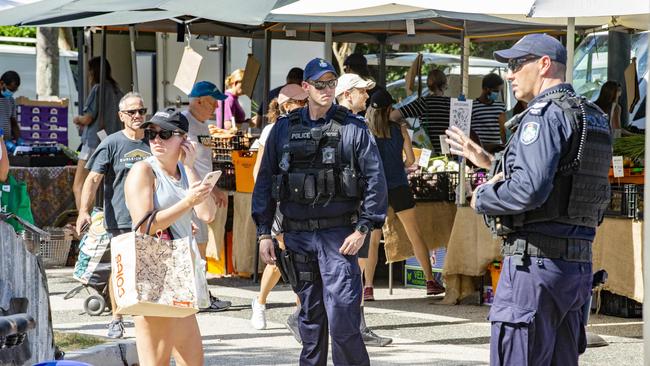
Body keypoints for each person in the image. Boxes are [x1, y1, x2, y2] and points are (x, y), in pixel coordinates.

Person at [445, 33, 612, 366]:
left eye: (517, 64)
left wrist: (483, 197)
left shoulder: (543, 114)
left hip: (535, 270)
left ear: (544, 64)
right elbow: (562, 177)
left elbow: (530, 190)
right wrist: (490, 162)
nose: (510, 74)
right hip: (574, 267)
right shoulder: (590, 115)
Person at [253, 58, 387, 366]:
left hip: (339, 236)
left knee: (343, 322)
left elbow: (375, 182)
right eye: (319, 84)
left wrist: (363, 229)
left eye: (331, 83)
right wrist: (264, 233)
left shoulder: (353, 128)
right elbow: (265, 184)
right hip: (298, 236)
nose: (326, 89)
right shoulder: (283, 130)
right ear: (306, 87)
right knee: (310, 322)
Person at [124, 108, 217, 366]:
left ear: (184, 139)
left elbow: (207, 213)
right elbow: (143, 226)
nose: (156, 140)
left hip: (181, 275)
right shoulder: (143, 171)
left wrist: (192, 169)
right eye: (151, 133)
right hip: (154, 274)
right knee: (156, 362)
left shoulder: (185, 173)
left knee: (193, 361)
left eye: (164, 134)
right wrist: (186, 204)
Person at [75, 92, 152, 338]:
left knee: (148, 269)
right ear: (121, 116)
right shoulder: (112, 143)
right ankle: (116, 318)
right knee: (121, 270)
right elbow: (93, 179)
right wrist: (83, 211)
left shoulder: (155, 140)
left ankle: (149, 318)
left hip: (151, 218)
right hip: (119, 218)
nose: (138, 116)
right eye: (132, 112)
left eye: (141, 111)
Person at [363, 88, 446, 301]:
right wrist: (398, 165)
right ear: (390, 108)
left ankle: (368, 287)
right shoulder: (399, 130)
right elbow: (410, 160)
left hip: (375, 189)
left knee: (372, 241)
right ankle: (430, 281)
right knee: (414, 234)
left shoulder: (366, 131)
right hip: (399, 185)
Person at [334, 74, 393, 348]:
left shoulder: (344, 123)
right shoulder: (350, 125)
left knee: (348, 270)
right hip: (351, 209)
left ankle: (353, 326)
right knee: (351, 270)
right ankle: (354, 327)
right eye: (361, 92)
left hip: (349, 208)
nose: (367, 97)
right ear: (347, 94)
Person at [250, 84, 307, 338]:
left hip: (301, 203)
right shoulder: (273, 130)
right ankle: (260, 302)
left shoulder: (311, 126)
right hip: (279, 201)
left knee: (299, 258)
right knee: (280, 258)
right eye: (301, 102)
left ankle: (300, 315)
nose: (306, 106)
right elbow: (258, 171)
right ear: (287, 105)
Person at [184, 80, 231, 312]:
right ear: (199, 101)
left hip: (204, 191)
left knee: (200, 245)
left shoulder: (203, 125)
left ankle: (200, 293)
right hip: (190, 193)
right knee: (196, 246)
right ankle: (199, 295)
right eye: (212, 103)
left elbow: (204, 163)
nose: (215, 108)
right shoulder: (183, 123)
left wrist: (215, 188)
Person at [73, 57, 124, 210]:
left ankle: (84, 226)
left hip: (93, 143)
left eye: (89, 70)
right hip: (112, 144)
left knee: (79, 185)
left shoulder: (97, 89)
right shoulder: (117, 91)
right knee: (104, 187)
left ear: (94, 71)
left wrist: (77, 119)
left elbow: (88, 118)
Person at [390, 69, 451, 154]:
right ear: (445, 84)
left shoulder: (423, 103)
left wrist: (406, 125)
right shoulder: (451, 103)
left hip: (428, 152)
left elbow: (393, 116)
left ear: (429, 85)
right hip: (449, 152)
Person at [471, 73, 506, 151]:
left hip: (497, 149)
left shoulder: (501, 106)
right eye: (496, 91)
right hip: (480, 150)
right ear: (486, 89)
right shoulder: (472, 106)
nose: (497, 94)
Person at [0, 71, 21, 141]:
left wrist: (19, 140)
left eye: (14, 91)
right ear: (2, 84)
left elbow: (13, 123)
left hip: (6, 143)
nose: (11, 93)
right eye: (10, 90)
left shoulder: (11, 101)